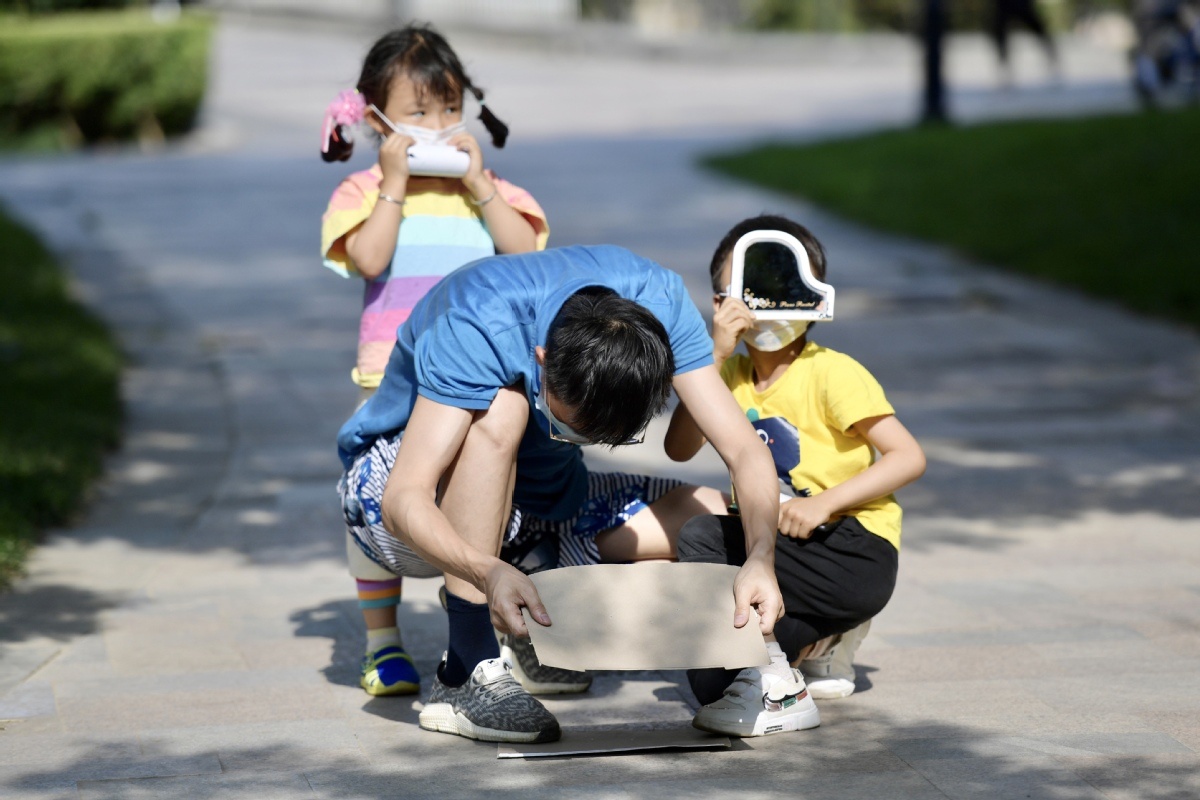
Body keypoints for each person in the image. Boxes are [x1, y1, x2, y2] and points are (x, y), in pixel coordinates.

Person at [336, 244, 785, 743]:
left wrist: (762, 558)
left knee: (709, 512)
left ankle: (529, 609)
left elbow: (744, 452)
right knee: (503, 409)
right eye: (576, 430)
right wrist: (485, 571)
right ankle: (465, 667)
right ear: (543, 362)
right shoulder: (480, 320)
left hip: (537, 503)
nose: (592, 443)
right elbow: (406, 497)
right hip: (393, 503)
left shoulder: (659, 303)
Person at [318, 24, 549, 699]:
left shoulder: (489, 189)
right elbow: (368, 258)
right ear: (375, 118)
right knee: (386, 502)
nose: (438, 128)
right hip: (392, 385)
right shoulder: (364, 191)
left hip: (481, 380)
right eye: (418, 114)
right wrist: (391, 184)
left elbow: (526, 256)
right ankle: (383, 642)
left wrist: (480, 185)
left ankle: (480, 627)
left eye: (449, 110)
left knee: (480, 500)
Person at [664, 214, 926, 738]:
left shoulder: (833, 372)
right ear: (719, 301)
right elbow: (678, 446)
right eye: (738, 292)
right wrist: (713, 354)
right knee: (710, 686)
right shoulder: (727, 375)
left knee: (700, 534)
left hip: (851, 549)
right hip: (779, 549)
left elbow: (906, 456)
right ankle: (816, 644)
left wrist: (824, 503)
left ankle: (802, 650)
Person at [989, 0, 1059, 85]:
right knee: (1000, 28)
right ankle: (1004, 65)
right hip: (1004, 4)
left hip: (1020, 3)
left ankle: (1052, 57)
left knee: (1035, 25)